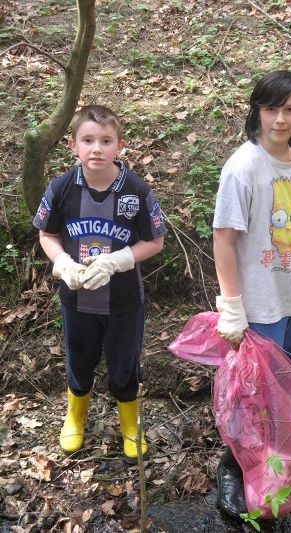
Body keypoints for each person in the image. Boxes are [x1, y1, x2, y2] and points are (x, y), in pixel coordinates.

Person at [212, 71, 291, 518]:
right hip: (258, 302)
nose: (280, 119)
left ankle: (275, 460)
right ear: (256, 112)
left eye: (290, 110)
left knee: (282, 383)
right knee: (251, 393)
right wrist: (232, 308)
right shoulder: (243, 167)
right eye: (271, 109)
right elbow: (223, 238)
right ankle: (233, 468)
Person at [33, 104, 167, 461]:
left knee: (125, 364)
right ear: (72, 145)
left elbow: (155, 240)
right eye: (88, 140)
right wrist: (62, 263)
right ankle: (75, 417)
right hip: (76, 299)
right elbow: (47, 234)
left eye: (105, 140)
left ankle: (130, 425)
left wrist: (118, 260)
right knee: (79, 359)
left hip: (123, 301)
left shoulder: (136, 190)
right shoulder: (61, 188)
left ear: (119, 146)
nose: (96, 148)